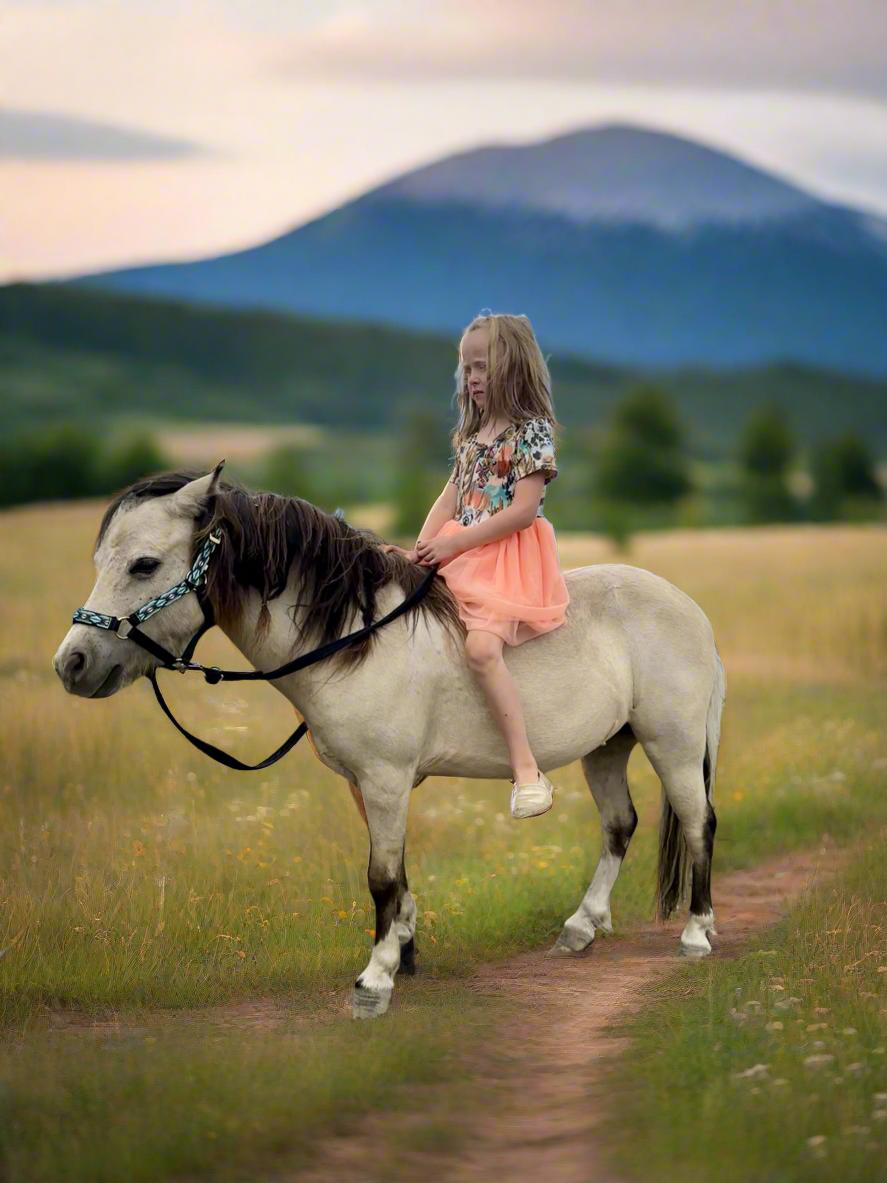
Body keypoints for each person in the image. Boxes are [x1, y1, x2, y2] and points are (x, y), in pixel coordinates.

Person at [383, 312, 570, 819]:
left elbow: (523, 511)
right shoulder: (472, 433)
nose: (471, 378)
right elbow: (450, 497)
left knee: (483, 649)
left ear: (512, 367)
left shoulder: (531, 434)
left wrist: (455, 546)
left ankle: (527, 771)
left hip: (505, 556)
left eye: (482, 367)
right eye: (466, 368)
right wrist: (423, 548)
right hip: (459, 548)